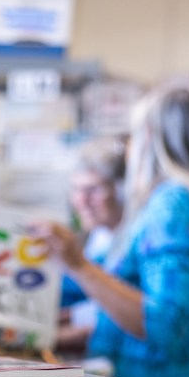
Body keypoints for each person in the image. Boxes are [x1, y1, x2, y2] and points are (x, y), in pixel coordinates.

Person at [35, 80, 189, 377]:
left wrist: (79, 266)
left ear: (149, 136)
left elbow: (165, 325)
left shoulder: (172, 203)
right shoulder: (174, 201)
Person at [59, 136, 126, 343]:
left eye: (93, 190)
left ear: (120, 190)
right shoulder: (101, 235)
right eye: (76, 189)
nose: (82, 201)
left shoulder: (134, 241)